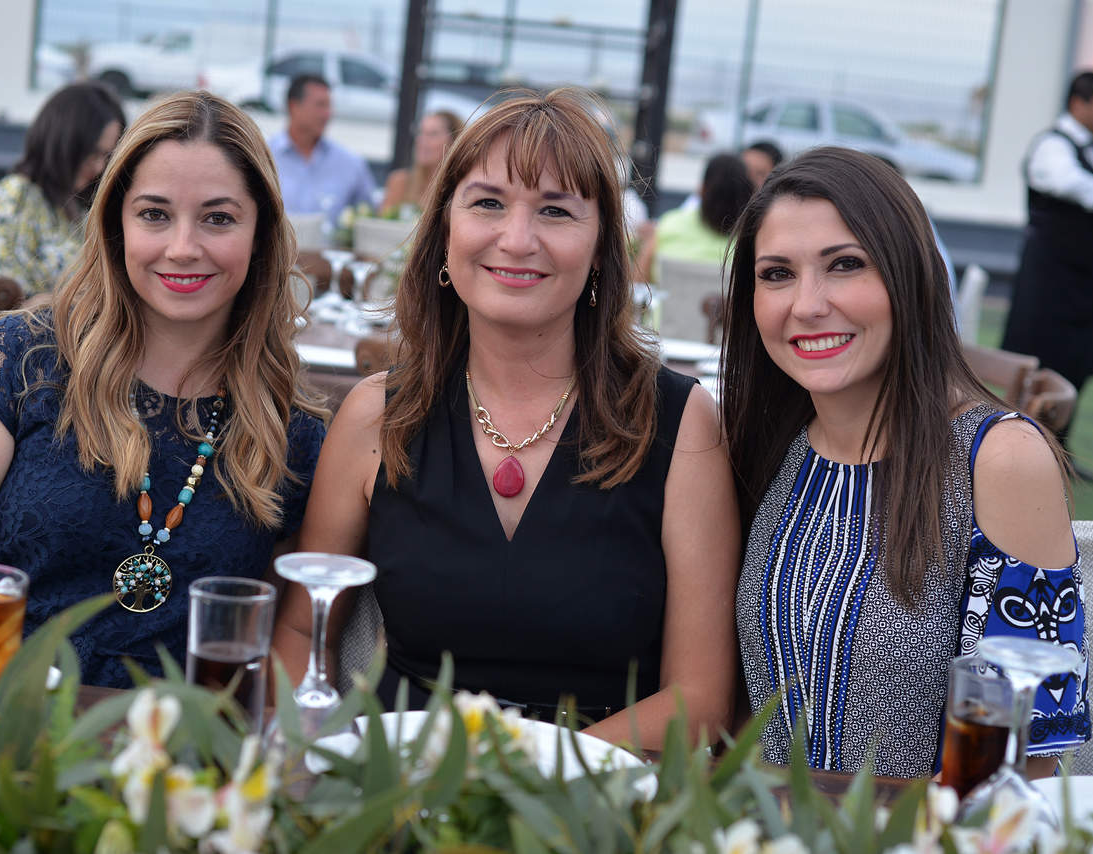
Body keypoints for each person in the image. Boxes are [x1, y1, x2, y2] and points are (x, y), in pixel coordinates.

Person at [271, 88, 741, 751]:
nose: (517, 239)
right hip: (395, 781)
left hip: (600, 790)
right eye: (488, 203)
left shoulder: (681, 425)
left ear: (601, 248)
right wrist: (318, 761)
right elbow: (301, 632)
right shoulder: (376, 415)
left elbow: (700, 700)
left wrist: (514, 780)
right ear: (444, 231)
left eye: (556, 210)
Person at [0, 92, 327, 688]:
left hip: (181, 738)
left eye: (218, 218)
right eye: (154, 214)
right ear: (116, 222)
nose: (182, 247)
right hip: (8, 716)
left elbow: (283, 644)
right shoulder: (23, 360)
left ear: (261, 234)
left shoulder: (289, 426)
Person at [721, 147, 1089, 778]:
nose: (806, 304)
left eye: (845, 265)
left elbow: (1019, 756)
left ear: (910, 274)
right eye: (776, 273)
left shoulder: (997, 458)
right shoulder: (768, 440)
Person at [1000, 69, 1093, 482]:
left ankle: (1061, 453)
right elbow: (1070, 184)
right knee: (1038, 363)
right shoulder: (1052, 146)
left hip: (1088, 280)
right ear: (1078, 102)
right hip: (1049, 282)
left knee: (1078, 364)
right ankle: (1016, 454)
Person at [0, 81, 125, 296]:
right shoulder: (16, 196)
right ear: (65, 142)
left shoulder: (74, 203)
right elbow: (6, 293)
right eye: (93, 153)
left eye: (106, 156)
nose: (100, 167)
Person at [269, 73, 377, 228]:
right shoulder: (264, 157)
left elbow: (369, 219)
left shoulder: (350, 164)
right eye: (320, 105)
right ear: (293, 107)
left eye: (329, 106)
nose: (327, 114)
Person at [635, 152, 753, 281]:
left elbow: (639, 280)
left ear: (702, 189)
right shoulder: (751, 237)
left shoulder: (670, 223)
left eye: (728, 198)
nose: (722, 205)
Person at [379, 109, 464, 218]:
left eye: (433, 134)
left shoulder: (460, 187)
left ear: (454, 142)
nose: (422, 140)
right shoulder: (400, 182)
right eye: (420, 133)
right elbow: (382, 223)